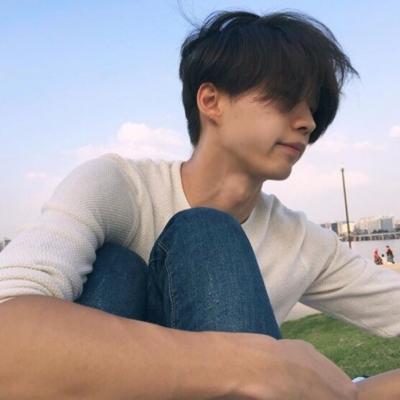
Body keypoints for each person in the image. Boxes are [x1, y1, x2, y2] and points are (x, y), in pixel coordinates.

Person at [0, 10, 399, 400]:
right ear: (211, 100)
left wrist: (351, 392)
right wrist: (252, 366)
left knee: (207, 236)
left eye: (313, 107)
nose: (308, 122)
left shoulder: (301, 243)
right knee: (129, 263)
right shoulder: (118, 187)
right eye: (286, 98)